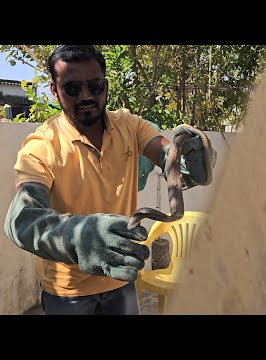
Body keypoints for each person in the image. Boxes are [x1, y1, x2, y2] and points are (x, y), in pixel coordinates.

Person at [3, 45, 216, 315]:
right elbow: (21, 220)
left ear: (105, 85)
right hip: (67, 291)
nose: (86, 96)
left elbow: (165, 154)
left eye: (94, 86)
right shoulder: (41, 145)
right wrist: (76, 236)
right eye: (72, 88)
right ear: (54, 90)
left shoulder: (130, 126)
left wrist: (187, 160)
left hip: (121, 277)